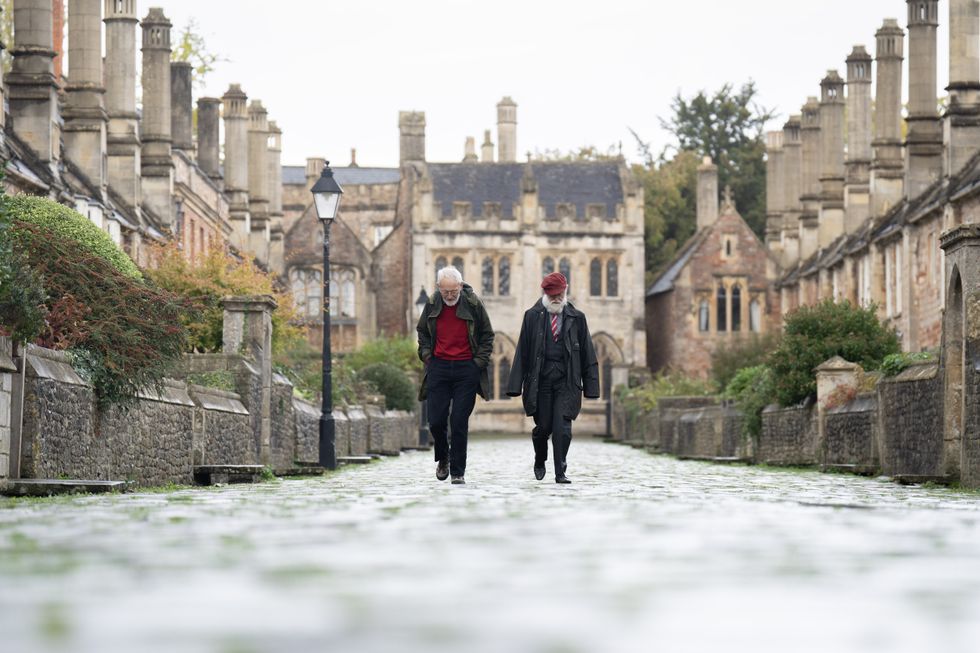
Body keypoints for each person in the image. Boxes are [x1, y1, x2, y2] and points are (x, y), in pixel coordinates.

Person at [506, 272, 600, 483]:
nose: (557, 298)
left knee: (563, 428)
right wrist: (515, 386)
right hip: (541, 382)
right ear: (545, 293)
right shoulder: (532, 316)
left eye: (560, 294)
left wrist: (591, 387)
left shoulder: (578, 318)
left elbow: (588, 353)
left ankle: (560, 472)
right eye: (553, 294)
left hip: (567, 382)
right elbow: (523, 351)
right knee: (544, 428)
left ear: (565, 292)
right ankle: (540, 458)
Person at [417, 266, 494, 485]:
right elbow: (422, 332)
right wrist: (427, 356)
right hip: (438, 367)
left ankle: (458, 471)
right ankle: (443, 458)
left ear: (460, 286)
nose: (449, 296)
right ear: (439, 288)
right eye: (445, 292)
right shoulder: (432, 303)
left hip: (465, 369)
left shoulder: (473, 304)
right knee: (436, 421)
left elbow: (487, 335)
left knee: (459, 421)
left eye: (453, 291)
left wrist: (478, 363)